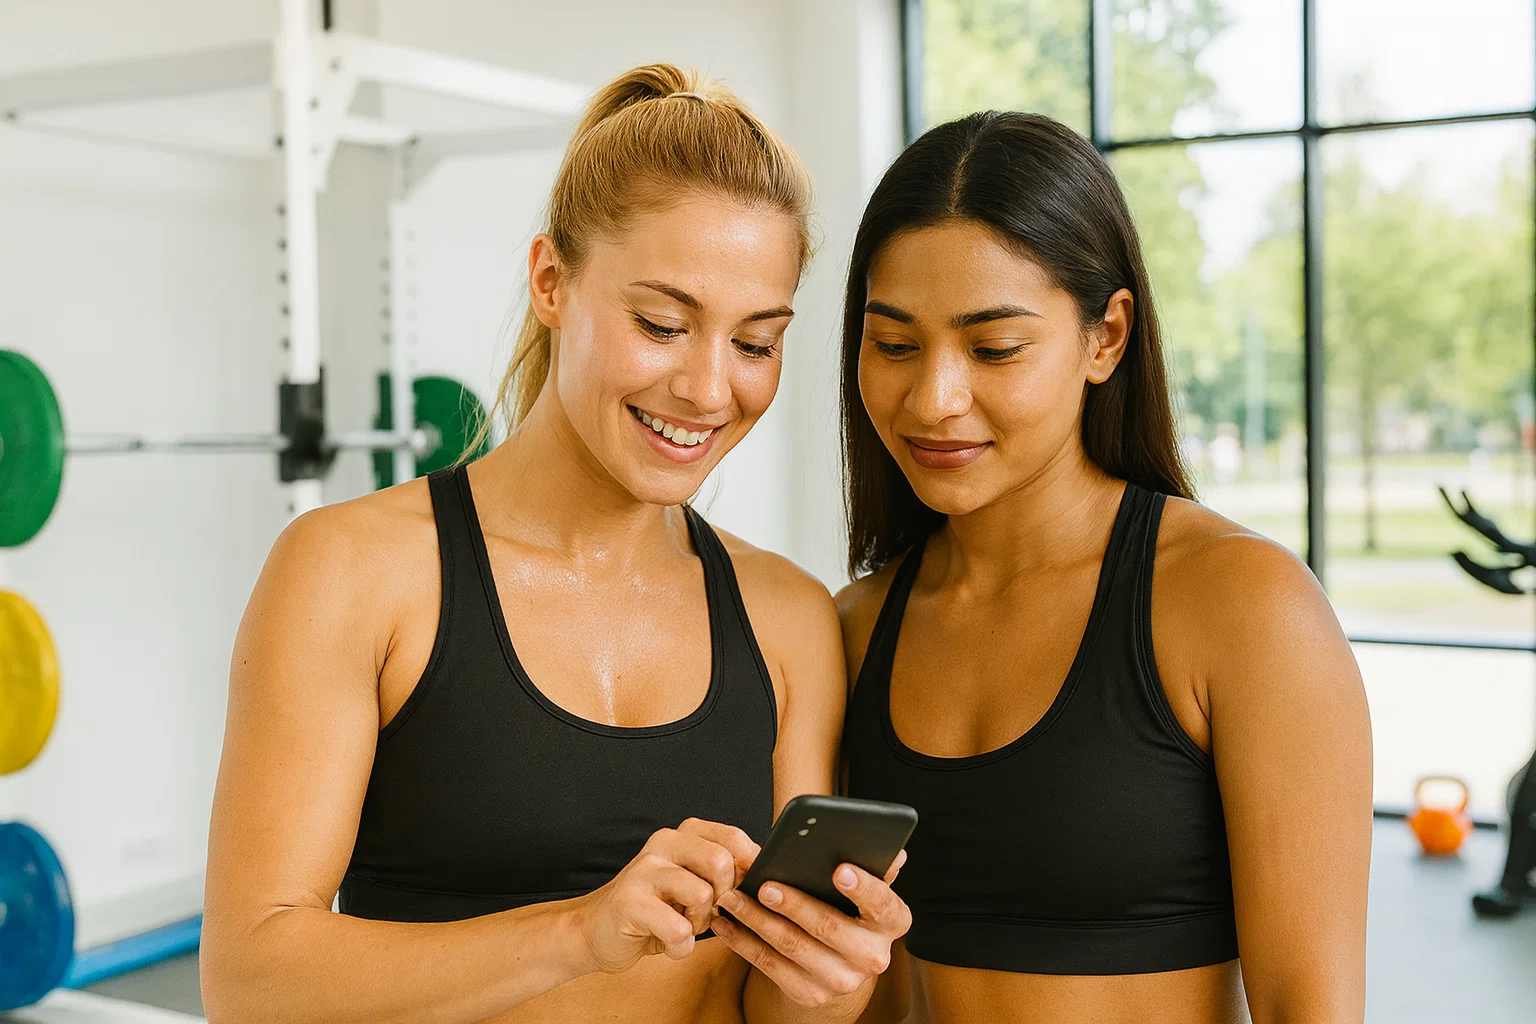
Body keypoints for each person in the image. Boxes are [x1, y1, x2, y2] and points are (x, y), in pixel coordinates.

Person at [202, 64, 909, 1024]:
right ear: (550, 281)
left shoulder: (785, 617)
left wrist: (834, 976)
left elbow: (772, 1010)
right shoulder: (355, 571)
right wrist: (577, 935)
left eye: (754, 343)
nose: (709, 390)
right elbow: (251, 982)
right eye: (662, 323)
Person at [837, 111, 1372, 1024]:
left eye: (994, 348)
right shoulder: (852, 627)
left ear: (1107, 337)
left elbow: (1310, 1008)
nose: (933, 397)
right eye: (894, 344)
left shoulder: (1241, 604)